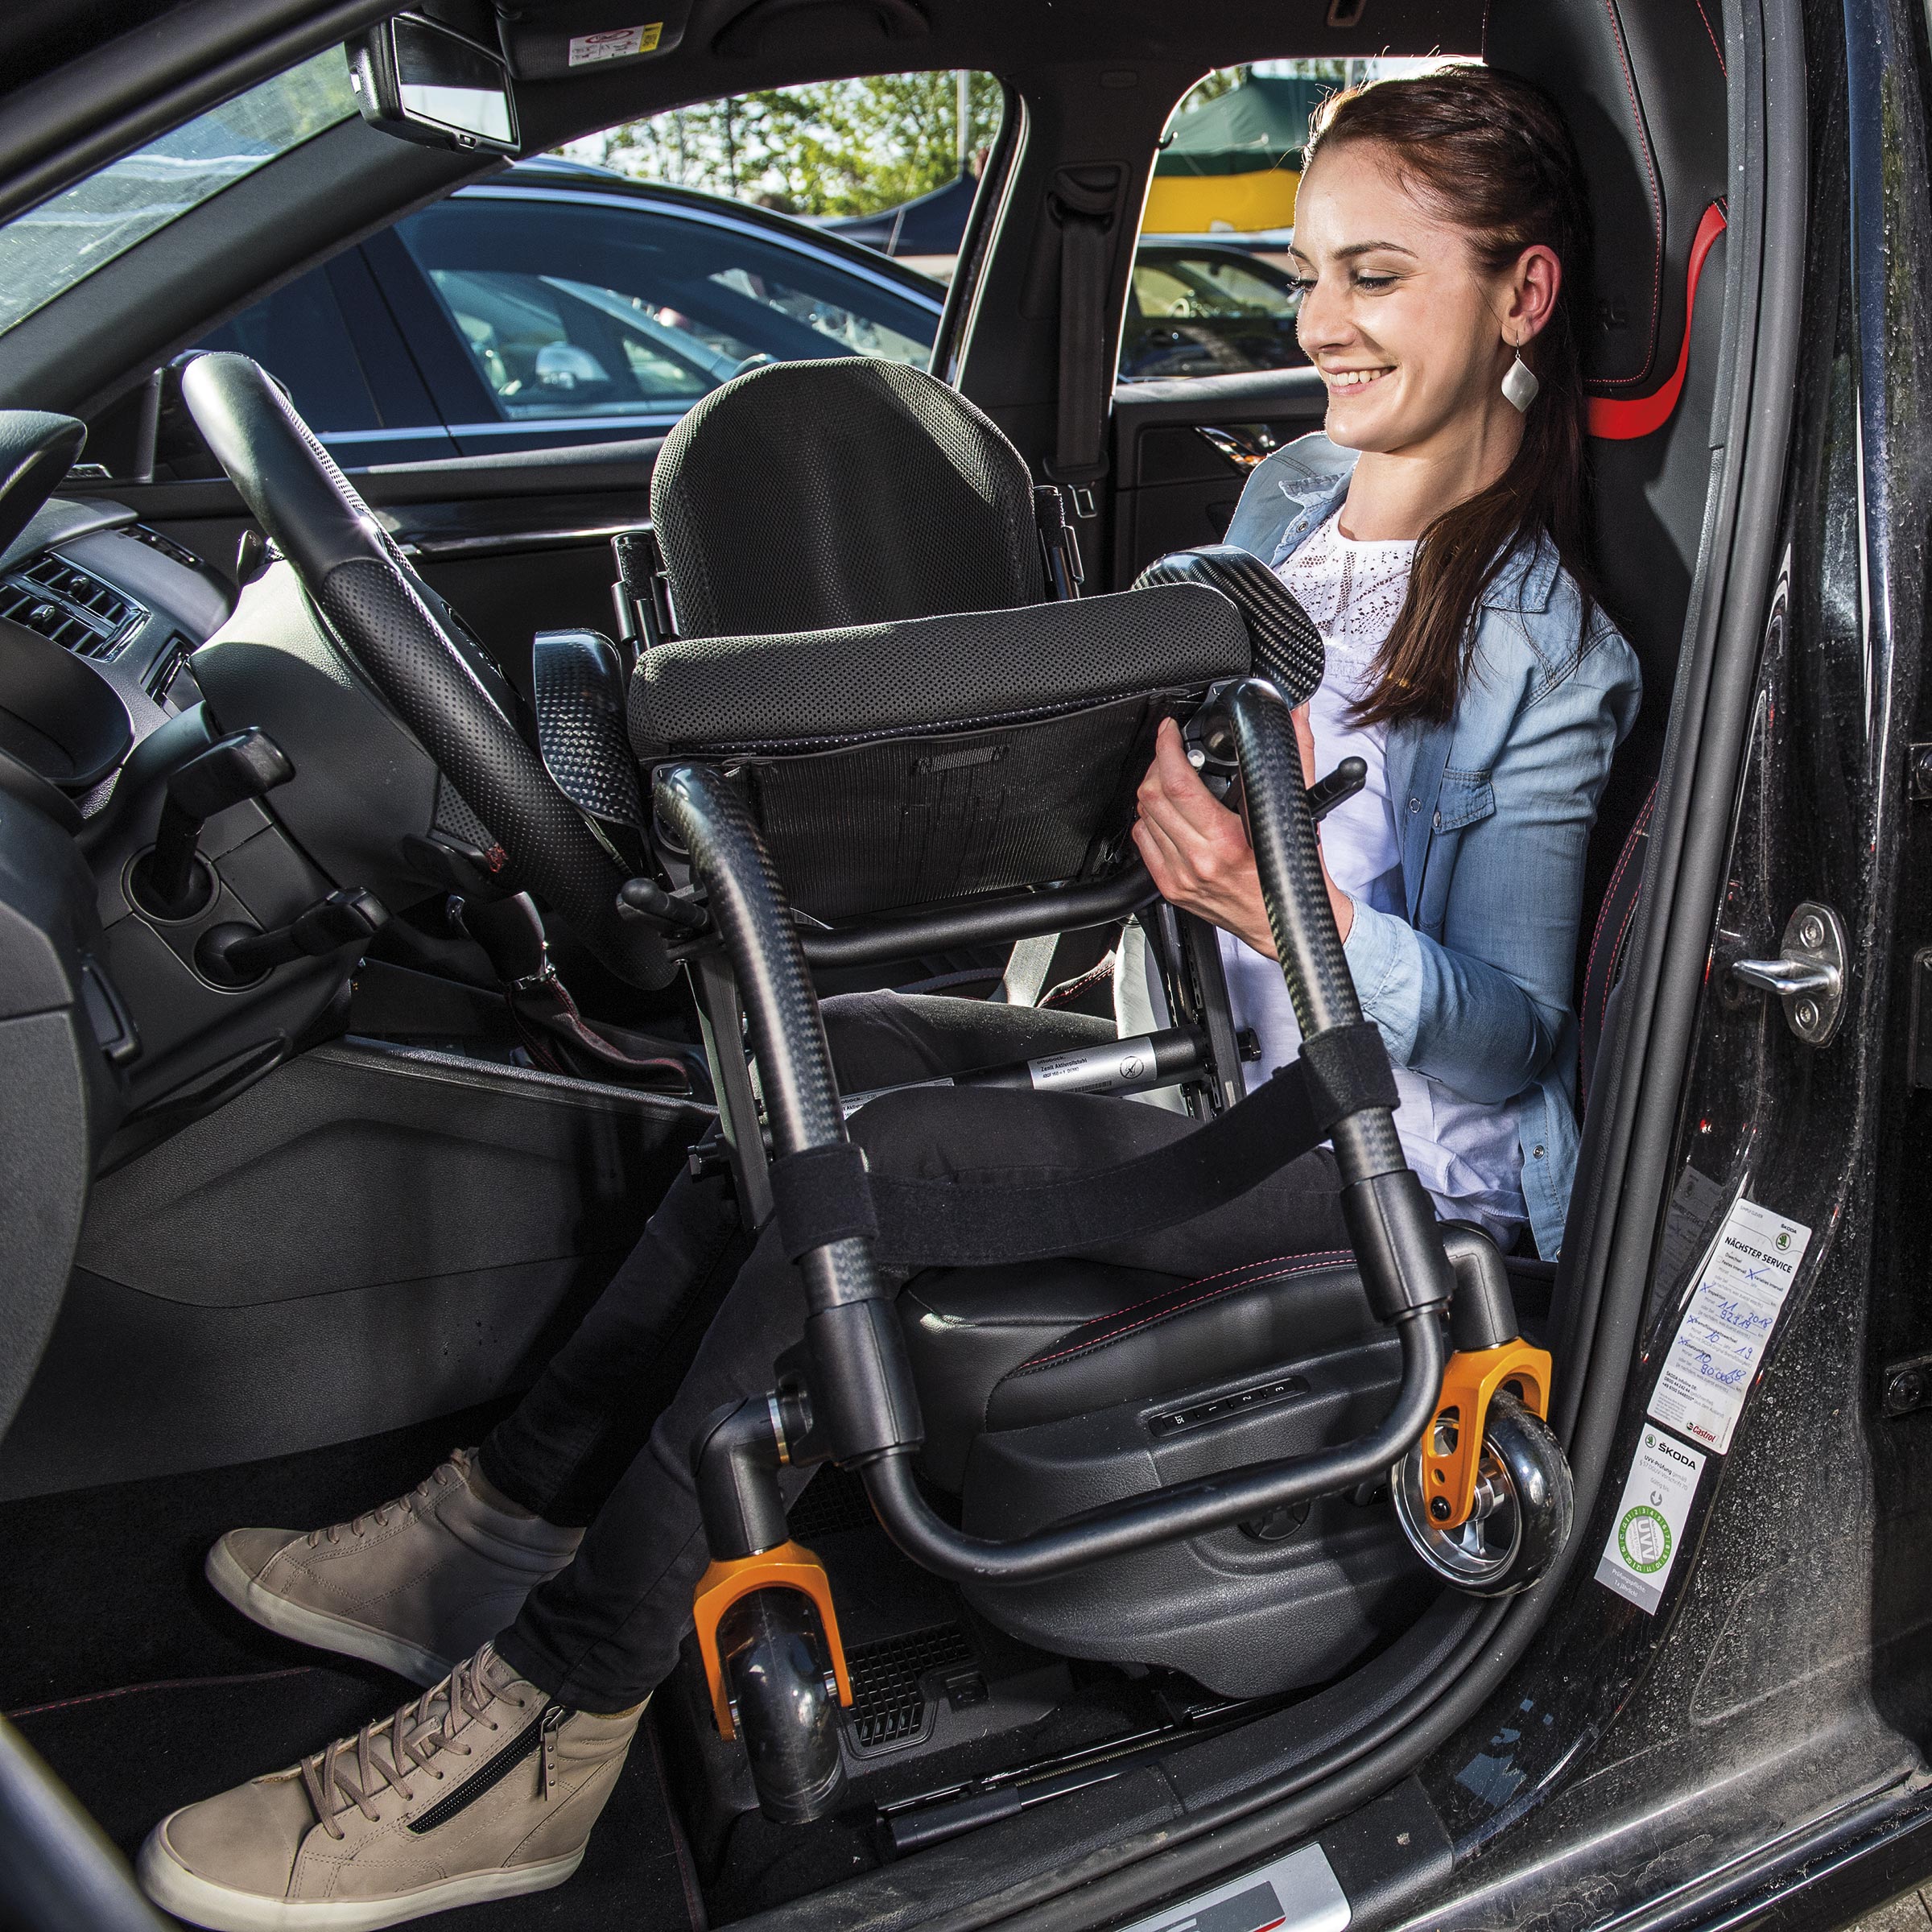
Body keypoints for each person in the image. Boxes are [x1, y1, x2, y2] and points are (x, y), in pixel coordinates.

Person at [138, 65, 1641, 1930]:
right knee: (815, 1059)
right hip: (1218, 1083)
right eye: (1302, 271)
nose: (1317, 324)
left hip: (1391, 1170)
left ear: (1522, 297)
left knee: (899, 1152)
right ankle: (493, 1528)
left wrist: (1288, 914)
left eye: (1378, 278)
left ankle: (552, 1720)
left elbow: (1512, 1030)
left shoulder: (1538, 649)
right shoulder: (1293, 492)